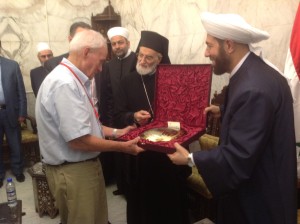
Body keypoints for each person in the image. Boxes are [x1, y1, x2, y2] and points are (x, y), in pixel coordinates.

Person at [168, 12, 297, 224]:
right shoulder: (252, 71)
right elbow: (256, 118)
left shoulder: (253, 88)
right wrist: (224, 110)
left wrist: (191, 159)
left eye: (210, 46)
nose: (206, 52)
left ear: (228, 45)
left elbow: (239, 156)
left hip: (259, 203)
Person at [35, 29, 143, 224]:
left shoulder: (73, 79)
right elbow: (79, 140)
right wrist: (123, 147)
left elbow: (87, 125)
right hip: (74, 172)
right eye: (101, 61)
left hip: (80, 169)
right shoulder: (65, 84)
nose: (102, 68)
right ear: (86, 52)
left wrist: (118, 132)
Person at [114, 31, 191, 224]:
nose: (142, 60)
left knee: (168, 202)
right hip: (141, 154)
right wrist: (133, 117)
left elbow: (184, 113)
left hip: (167, 156)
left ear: (160, 59)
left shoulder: (172, 81)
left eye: (148, 57)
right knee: (143, 205)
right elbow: (117, 115)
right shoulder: (127, 82)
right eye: (140, 55)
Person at [98, 26, 137, 193]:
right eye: (114, 44)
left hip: (133, 116)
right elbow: (107, 92)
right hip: (115, 117)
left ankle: (132, 188)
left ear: (128, 42)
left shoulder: (137, 59)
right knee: (119, 153)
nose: (117, 47)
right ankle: (122, 185)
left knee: (132, 153)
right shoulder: (109, 65)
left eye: (120, 43)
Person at [0, 55, 27, 188]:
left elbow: (21, 91)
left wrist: (22, 112)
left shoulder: (12, 65)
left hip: (11, 112)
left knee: (15, 143)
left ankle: (18, 170)